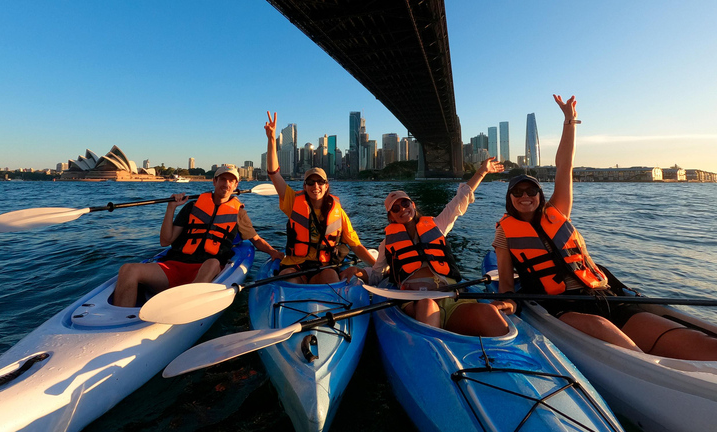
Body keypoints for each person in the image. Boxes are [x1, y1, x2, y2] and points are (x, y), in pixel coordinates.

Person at [493, 95, 717, 360]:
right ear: (510, 199)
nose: (524, 196)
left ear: (540, 195)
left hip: (602, 294)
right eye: (516, 192)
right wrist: (508, 302)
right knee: (600, 327)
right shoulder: (505, 232)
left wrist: (569, 122)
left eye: (531, 190)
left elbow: (564, 166)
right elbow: (506, 283)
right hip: (562, 306)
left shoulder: (558, 212)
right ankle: (649, 368)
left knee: (697, 342)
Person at [367, 158, 510, 337]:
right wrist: (358, 275)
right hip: (417, 300)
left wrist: (482, 171)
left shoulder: (436, 225)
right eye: (396, 208)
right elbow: (377, 273)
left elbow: (460, 200)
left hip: (451, 297)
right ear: (391, 217)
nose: (402, 209)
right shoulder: (386, 244)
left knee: (489, 314)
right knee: (428, 305)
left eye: (405, 203)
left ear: (413, 205)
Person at [113, 165, 284, 307]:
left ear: (236, 185)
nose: (226, 183)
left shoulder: (238, 214)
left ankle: (183, 306)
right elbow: (165, 241)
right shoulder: (192, 207)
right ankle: (118, 322)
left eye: (231, 180)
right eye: (223, 179)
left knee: (212, 262)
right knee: (127, 269)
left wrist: (273, 252)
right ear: (214, 181)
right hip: (174, 266)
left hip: (205, 271)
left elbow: (255, 240)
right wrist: (171, 207)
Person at [264, 111, 377, 284]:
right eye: (310, 182)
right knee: (289, 281)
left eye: (319, 182)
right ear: (304, 186)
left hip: (324, 267)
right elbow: (274, 174)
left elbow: (356, 246)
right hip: (296, 266)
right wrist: (272, 140)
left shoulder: (338, 213)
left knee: (331, 277)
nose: (315, 186)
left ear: (326, 186)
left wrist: (376, 269)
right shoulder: (293, 201)